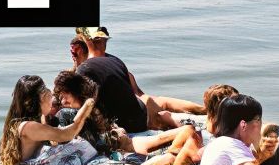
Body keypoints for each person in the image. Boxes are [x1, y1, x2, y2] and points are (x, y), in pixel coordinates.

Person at [73, 26, 202, 135]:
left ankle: (202, 112)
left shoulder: (89, 68)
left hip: (135, 112)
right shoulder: (114, 61)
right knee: (163, 105)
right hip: (139, 105)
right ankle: (204, 111)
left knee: (161, 107)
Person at [0, 74, 99, 165]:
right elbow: (66, 134)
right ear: (36, 100)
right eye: (45, 92)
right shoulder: (28, 127)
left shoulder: (22, 123)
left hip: (30, 162)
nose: (50, 95)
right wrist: (86, 107)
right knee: (80, 145)